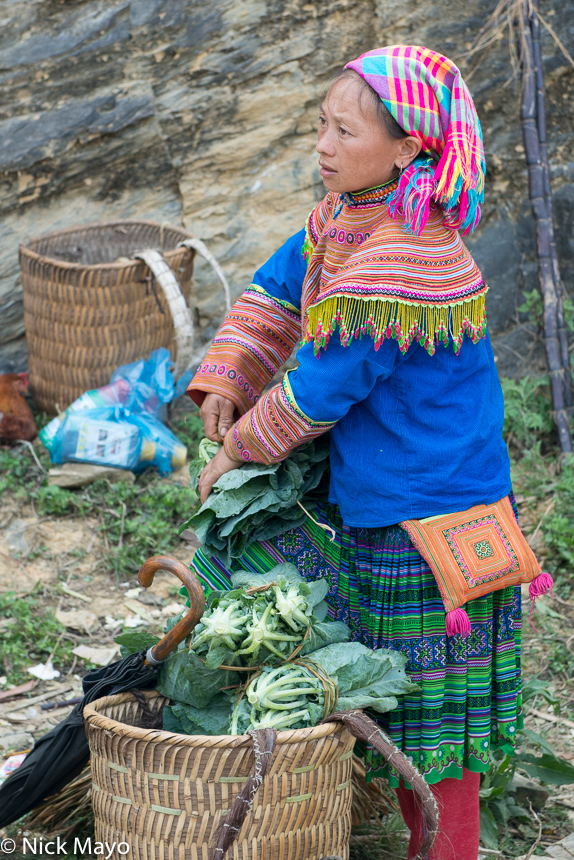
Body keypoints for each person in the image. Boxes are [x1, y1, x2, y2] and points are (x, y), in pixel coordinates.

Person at [187, 45, 520, 860]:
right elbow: (274, 291)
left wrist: (236, 451)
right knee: (395, 698)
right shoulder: (345, 216)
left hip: (433, 518)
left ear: (408, 148)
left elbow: (321, 391)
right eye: (322, 126)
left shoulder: (402, 257)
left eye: (345, 131)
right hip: (384, 497)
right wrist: (228, 378)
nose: (323, 146)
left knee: (438, 733)